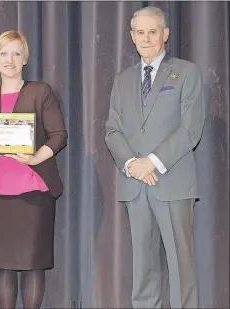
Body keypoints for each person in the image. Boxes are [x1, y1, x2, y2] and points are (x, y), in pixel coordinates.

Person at [105, 6, 205, 309]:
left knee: (180, 266)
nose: (146, 38)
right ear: (132, 38)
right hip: (136, 185)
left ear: (165, 34)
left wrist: (152, 162)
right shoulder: (122, 80)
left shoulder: (187, 72)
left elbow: (190, 130)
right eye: (140, 32)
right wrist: (133, 165)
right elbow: (112, 131)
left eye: (152, 31)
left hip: (172, 182)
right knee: (143, 267)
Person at [0, 30, 67, 309]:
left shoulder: (41, 92)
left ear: (25, 58)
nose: (10, 60)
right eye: (4, 53)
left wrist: (37, 158)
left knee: (32, 264)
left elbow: (59, 135)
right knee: (2, 265)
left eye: (16, 53)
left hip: (34, 192)